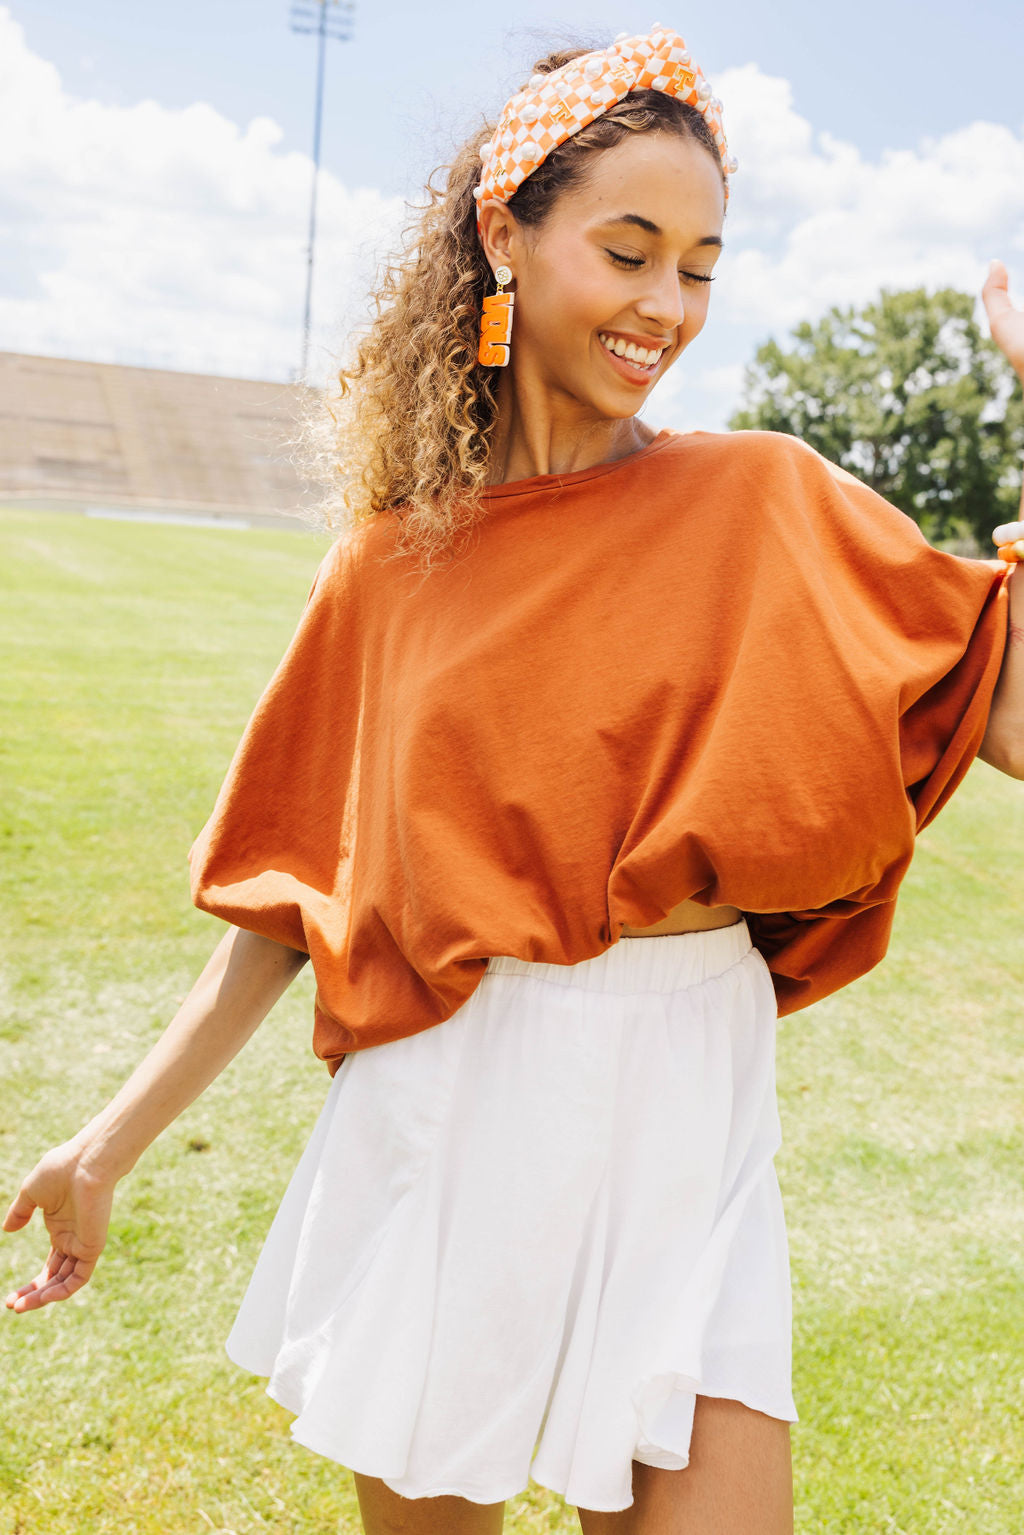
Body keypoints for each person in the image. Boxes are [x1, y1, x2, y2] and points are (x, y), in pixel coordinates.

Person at [4, 23, 1024, 1535]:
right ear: (505, 232)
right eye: (628, 251)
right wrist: (108, 1143)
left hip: (694, 1104)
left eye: (699, 265)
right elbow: (292, 901)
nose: (665, 306)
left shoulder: (763, 500)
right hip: (456, 1108)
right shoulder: (391, 563)